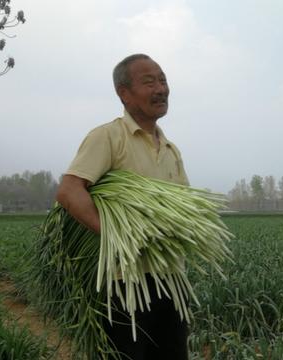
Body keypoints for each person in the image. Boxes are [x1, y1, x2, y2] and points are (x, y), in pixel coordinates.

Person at [56, 54, 190, 359]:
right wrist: (116, 234)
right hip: (124, 285)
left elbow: (183, 208)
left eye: (163, 80)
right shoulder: (108, 136)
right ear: (124, 93)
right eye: (149, 82)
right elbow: (69, 190)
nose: (161, 88)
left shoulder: (171, 149)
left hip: (172, 280)